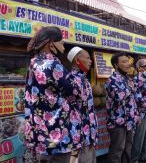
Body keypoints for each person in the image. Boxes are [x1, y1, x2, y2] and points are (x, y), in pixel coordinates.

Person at [25, 26, 78, 162]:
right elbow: (75, 89)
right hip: (57, 131)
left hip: (41, 133)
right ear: (51, 44)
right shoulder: (53, 64)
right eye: (61, 41)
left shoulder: (33, 62)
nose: (63, 44)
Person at [105, 53, 140, 163]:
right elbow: (119, 98)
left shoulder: (128, 79)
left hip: (129, 121)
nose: (128, 64)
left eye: (128, 61)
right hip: (118, 122)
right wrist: (131, 89)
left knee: (127, 148)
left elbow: (133, 100)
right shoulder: (112, 80)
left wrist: (136, 115)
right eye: (123, 62)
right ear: (116, 65)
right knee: (117, 151)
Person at [67, 47, 98, 163]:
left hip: (89, 134)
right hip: (78, 135)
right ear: (77, 60)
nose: (91, 61)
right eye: (88, 58)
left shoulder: (85, 80)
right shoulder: (71, 80)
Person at [131, 59, 146, 163]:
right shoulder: (136, 79)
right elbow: (137, 97)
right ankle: (135, 159)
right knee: (139, 137)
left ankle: (145, 156)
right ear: (139, 68)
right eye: (145, 66)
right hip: (141, 112)